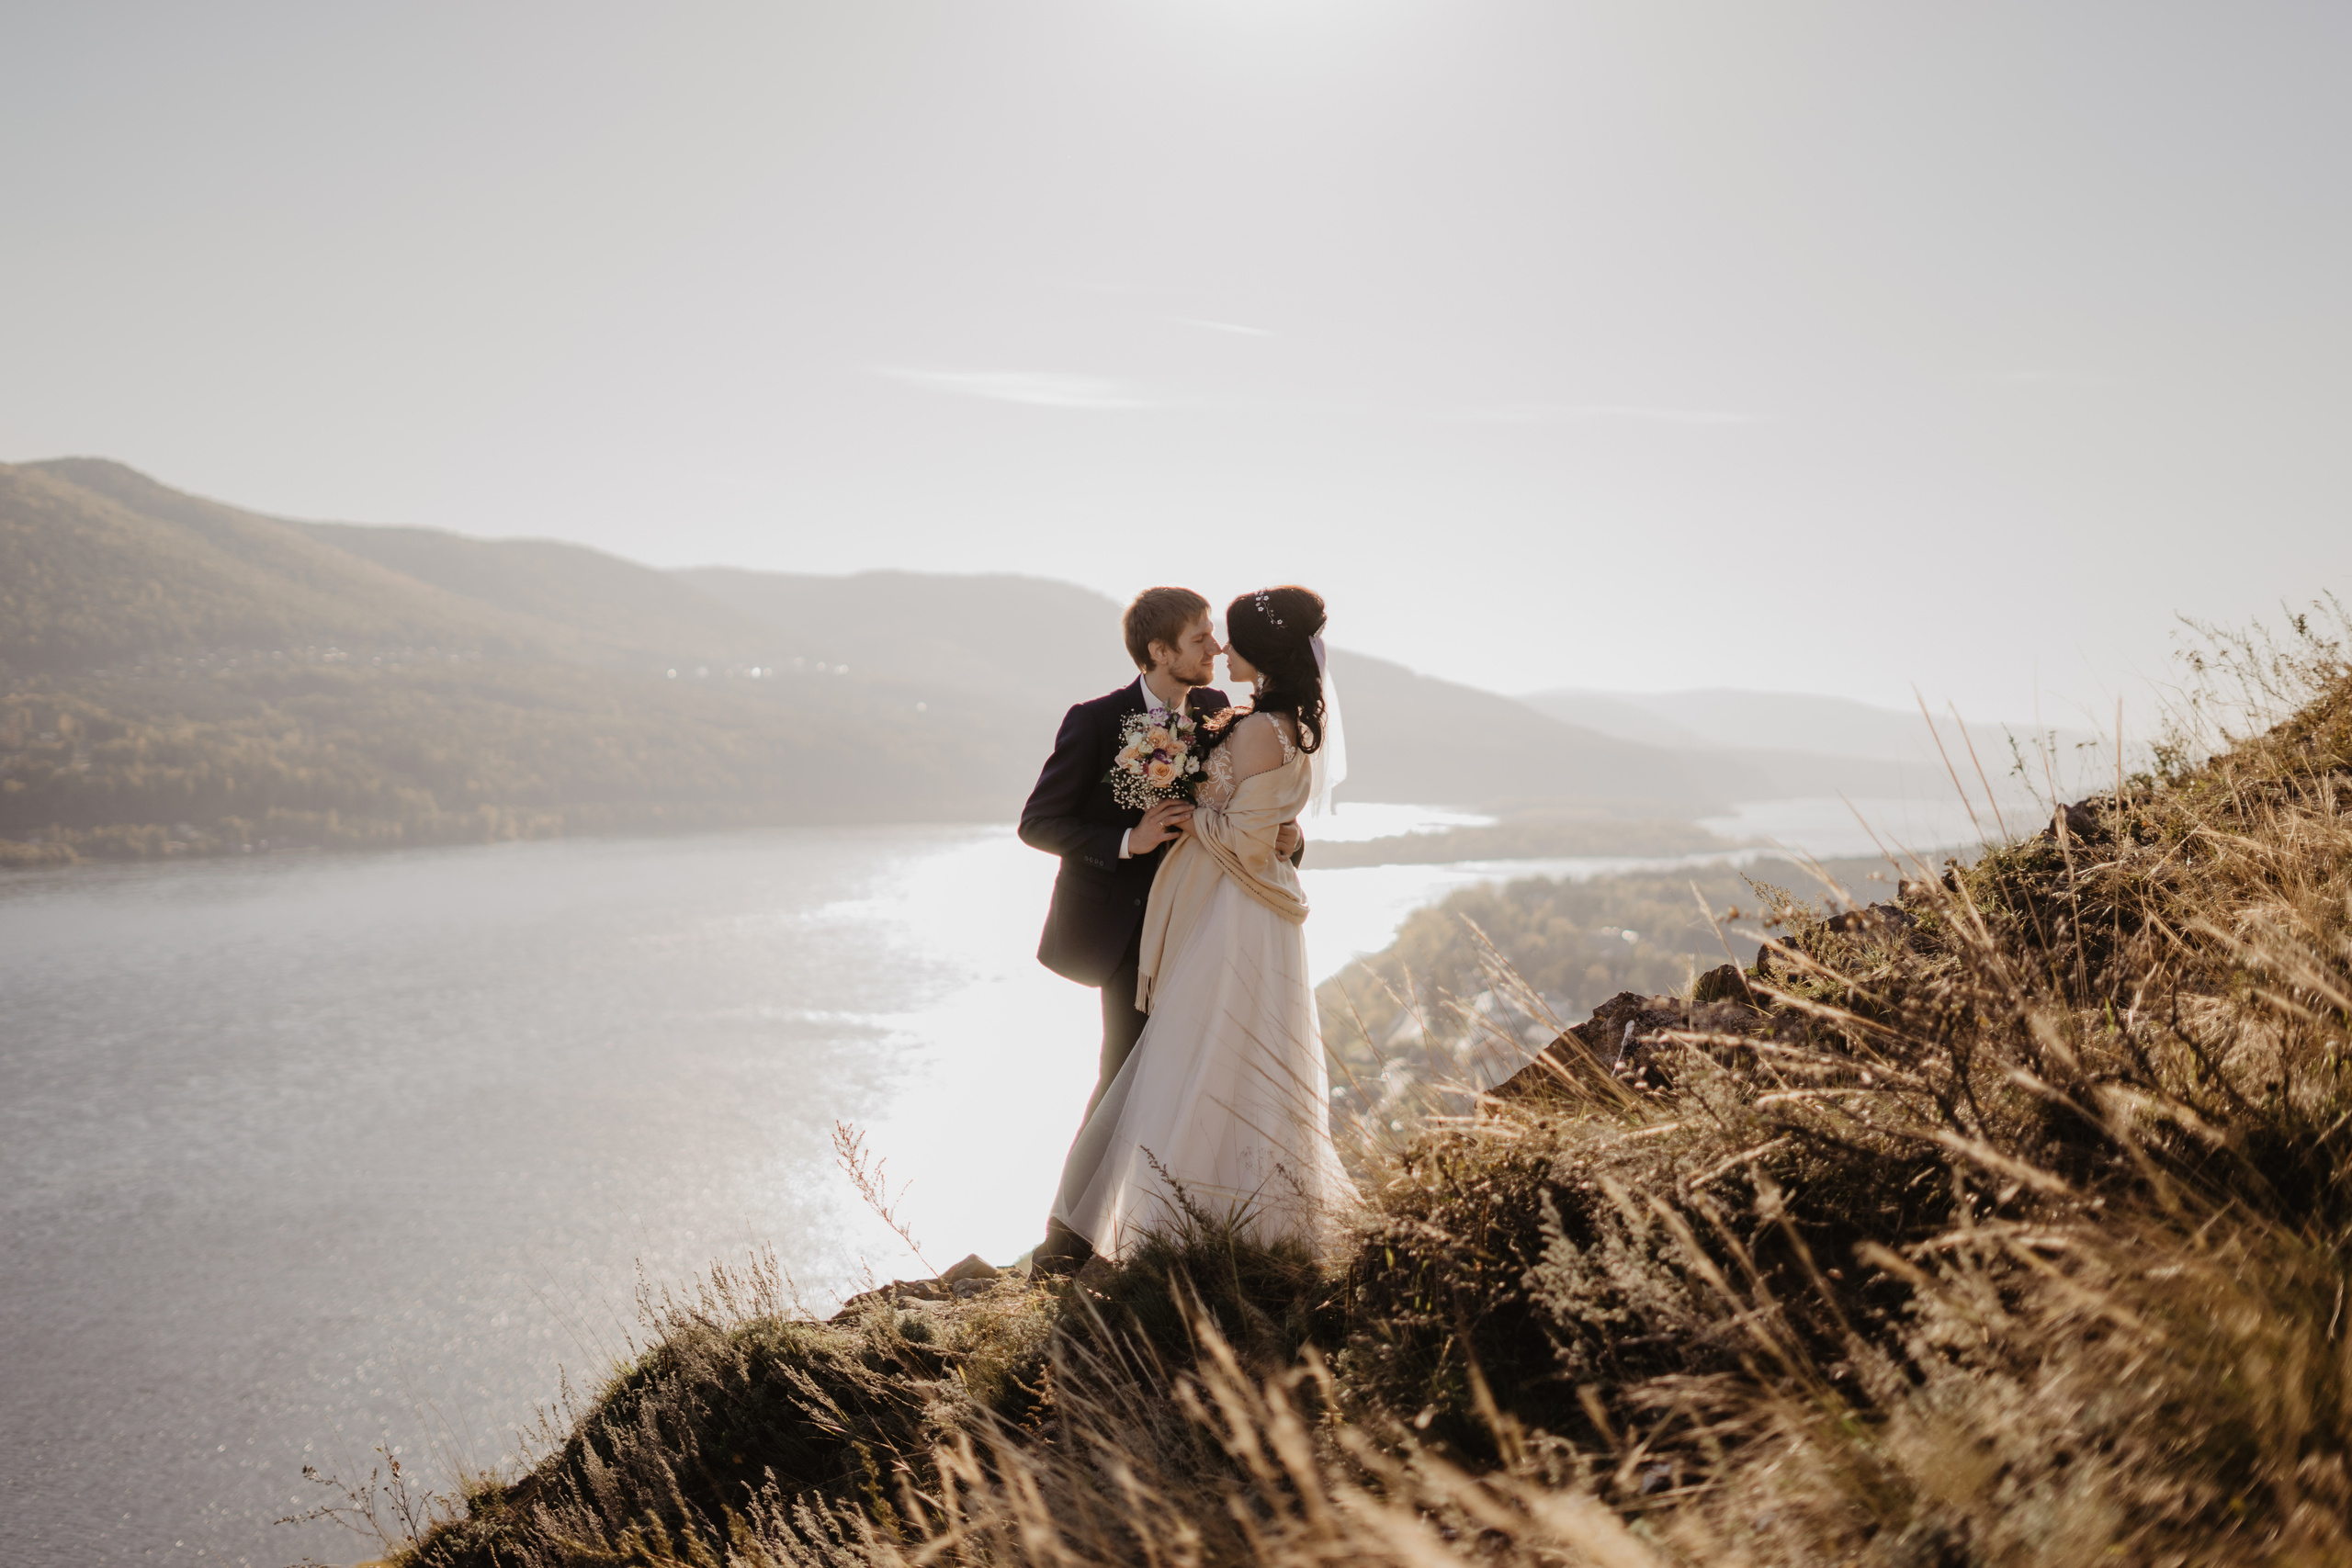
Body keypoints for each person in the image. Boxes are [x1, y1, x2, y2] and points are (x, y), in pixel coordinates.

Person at [1046, 585, 1356, 1268]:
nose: (1215, 648)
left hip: (1216, 914)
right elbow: (1040, 821)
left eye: (1219, 636)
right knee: (1123, 1070)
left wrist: (1287, 834)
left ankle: (1190, 1215)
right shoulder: (1097, 720)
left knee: (1199, 1063)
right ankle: (1068, 1238)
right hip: (1128, 928)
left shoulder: (1224, 711)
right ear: (1159, 651)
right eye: (1199, 639)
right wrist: (1131, 838)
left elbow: (1260, 800)